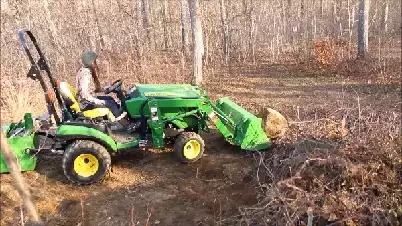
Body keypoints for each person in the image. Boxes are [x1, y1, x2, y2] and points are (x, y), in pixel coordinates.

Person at [76, 50, 123, 119]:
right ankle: (120, 122)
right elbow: (84, 93)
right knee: (110, 103)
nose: (96, 63)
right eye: (94, 61)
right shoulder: (85, 74)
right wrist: (98, 101)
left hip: (88, 101)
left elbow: (92, 89)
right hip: (86, 104)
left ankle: (118, 114)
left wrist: (107, 88)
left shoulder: (86, 70)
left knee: (110, 98)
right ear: (90, 62)